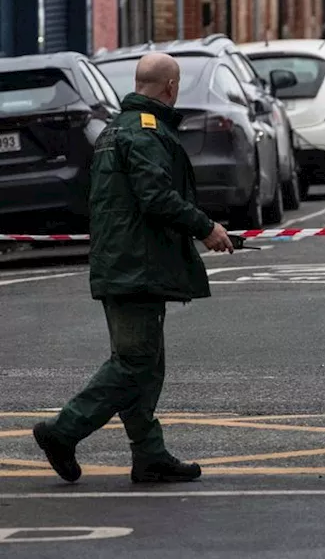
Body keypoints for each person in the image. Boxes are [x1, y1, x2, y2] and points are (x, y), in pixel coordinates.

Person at [32, 52, 234, 484]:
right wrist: (206, 228)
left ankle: (150, 454)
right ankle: (63, 431)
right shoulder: (143, 134)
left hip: (123, 262)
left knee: (145, 363)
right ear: (171, 88)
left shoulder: (113, 131)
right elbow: (155, 196)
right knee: (134, 363)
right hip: (135, 266)